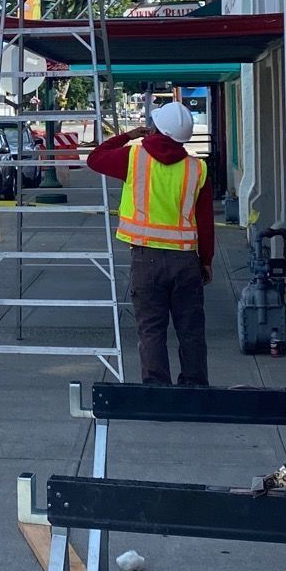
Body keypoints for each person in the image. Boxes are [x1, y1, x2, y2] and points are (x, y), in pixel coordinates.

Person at [88, 98, 213, 386]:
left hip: (146, 258)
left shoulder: (133, 158)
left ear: (156, 128)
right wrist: (206, 260)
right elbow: (205, 223)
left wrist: (126, 137)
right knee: (191, 329)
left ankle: (156, 391)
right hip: (185, 260)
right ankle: (195, 388)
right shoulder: (197, 169)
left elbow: (95, 158)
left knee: (151, 329)